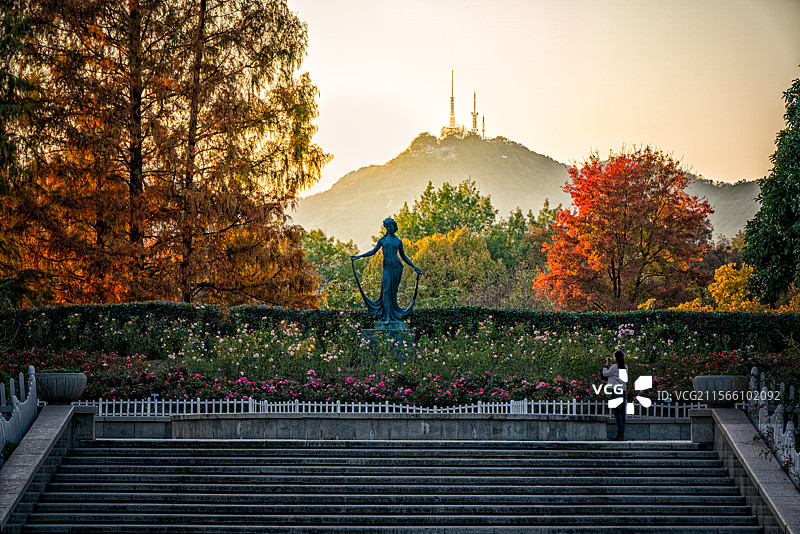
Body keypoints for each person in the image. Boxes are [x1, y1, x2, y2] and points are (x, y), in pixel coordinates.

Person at [351, 218, 422, 323]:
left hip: (397, 267)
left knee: (393, 292)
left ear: (394, 227)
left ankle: (392, 315)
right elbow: (373, 251)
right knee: (386, 290)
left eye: (391, 226)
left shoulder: (398, 241)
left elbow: (403, 256)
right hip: (387, 268)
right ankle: (387, 317)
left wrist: (414, 266)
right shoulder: (382, 240)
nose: (389, 228)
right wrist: (359, 256)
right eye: (387, 227)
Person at [603, 350, 628, 440]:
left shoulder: (614, 367)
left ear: (615, 358)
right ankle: (622, 433)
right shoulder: (625, 367)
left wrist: (606, 364)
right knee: (622, 413)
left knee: (617, 413)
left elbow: (605, 373)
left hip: (616, 391)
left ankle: (619, 434)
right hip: (623, 391)